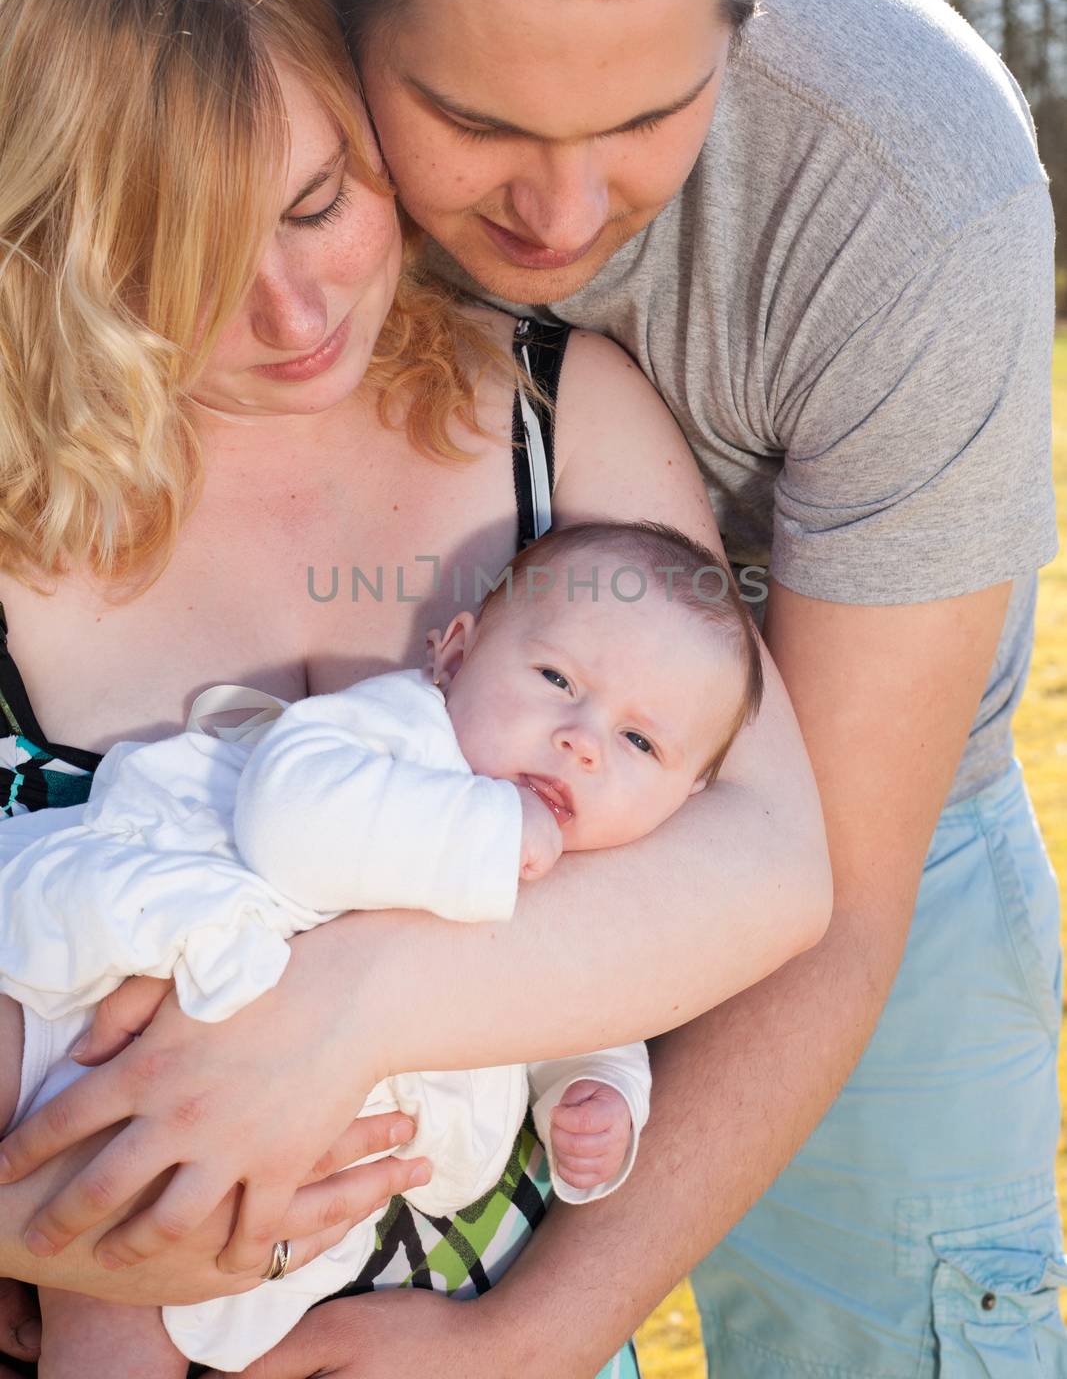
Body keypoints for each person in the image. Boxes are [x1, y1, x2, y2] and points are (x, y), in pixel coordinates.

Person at [0, 0, 828, 1379]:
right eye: (178, 256)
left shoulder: (552, 414)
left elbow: (772, 865)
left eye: (319, 201)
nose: (292, 306)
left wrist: (344, 1015)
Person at [245, 0, 1058, 1375]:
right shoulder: (230, 112)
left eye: (641, 119)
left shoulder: (904, 174)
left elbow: (836, 887)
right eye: (472, 121)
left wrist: (533, 1331)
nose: (556, 215)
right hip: (395, 813)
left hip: (871, 838)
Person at [0, 518, 761, 1375]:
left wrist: (598, 1092)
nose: (580, 740)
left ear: (683, 799)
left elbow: (589, 1004)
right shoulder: (402, 734)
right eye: (554, 678)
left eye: (638, 742)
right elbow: (293, 817)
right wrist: (489, 833)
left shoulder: (600, 886)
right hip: (92, 1002)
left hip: (241, 1172)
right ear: (456, 658)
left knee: (118, 1313)